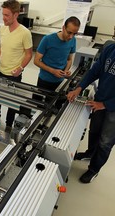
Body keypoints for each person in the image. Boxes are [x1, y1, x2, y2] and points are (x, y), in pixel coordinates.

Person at [67, 43, 115, 183]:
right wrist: (79, 88)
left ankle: (94, 170)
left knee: (105, 142)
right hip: (100, 98)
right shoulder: (110, 48)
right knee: (94, 130)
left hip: (112, 109)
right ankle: (90, 153)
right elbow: (95, 71)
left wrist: (106, 105)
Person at [0, 0, 33, 132]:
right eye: (3, 14)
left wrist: (20, 69)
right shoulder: (2, 28)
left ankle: (9, 125)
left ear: (16, 15)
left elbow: (29, 54)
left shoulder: (24, 33)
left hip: (14, 75)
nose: (3, 18)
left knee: (12, 102)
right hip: (0, 70)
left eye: (7, 15)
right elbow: (2, 48)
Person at [33, 16, 80, 104]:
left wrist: (66, 71)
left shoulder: (73, 40)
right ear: (63, 28)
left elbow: (69, 59)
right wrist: (53, 71)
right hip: (44, 81)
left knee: (53, 107)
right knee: (38, 106)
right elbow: (36, 61)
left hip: (60, 82)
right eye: (69, 32)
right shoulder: (47, 39)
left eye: (74, 34)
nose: (71, 36)